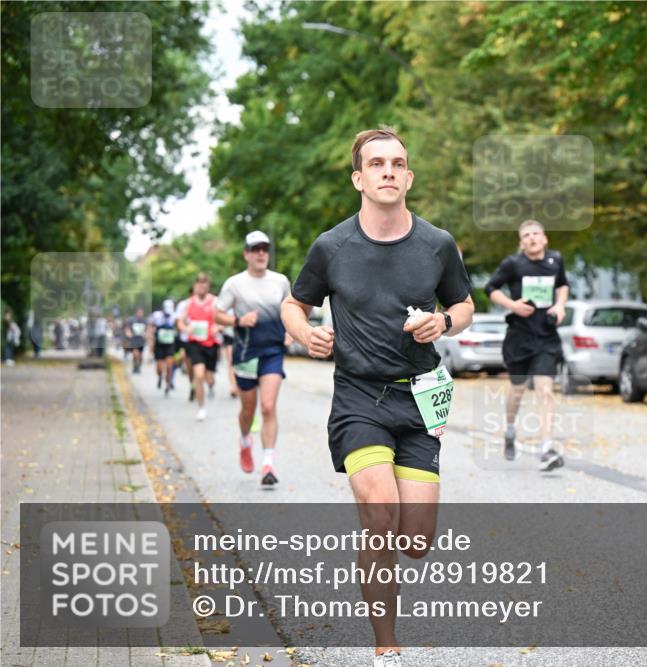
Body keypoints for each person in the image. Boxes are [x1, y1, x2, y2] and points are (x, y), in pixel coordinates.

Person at [282, 126, 473, 667]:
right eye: (377, 163)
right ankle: (386, 644)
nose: (388, 171)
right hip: (359, 398)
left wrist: (443, 322)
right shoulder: (332, 246)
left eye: (398, 163)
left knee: (415, 541)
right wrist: (305, 333)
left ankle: (388, 554)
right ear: (359, 178)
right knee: (378, 513)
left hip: (419, 401)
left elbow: (465, 307)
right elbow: (293, 306)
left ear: (408, 176)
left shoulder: (437, 244)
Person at [484, 219, 570, 471]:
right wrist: (513, 306)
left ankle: (547, 449)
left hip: (546, 335)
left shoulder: (556, 261)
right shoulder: (513, 264)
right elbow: (490, 288)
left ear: (545, 238)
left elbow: (563, 285)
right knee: (518, 389)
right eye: (527, 235)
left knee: (545, 390)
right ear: (521, 242)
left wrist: (560, 305)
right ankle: (510, 429)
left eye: (536, 234)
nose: (532, 238)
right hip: (519, 337)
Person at [215, 231, 292, 486]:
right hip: (245, 353)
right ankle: (245, 439)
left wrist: (291, 331)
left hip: (272, 351)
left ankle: (268, 464)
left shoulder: (280, 281)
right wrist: (238, 320)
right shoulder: (234, 284)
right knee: (248, 409)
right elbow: (217, 315)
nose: (261, 253)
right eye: (255, 249)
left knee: (268, 407)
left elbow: (289, 310)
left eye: (264, 249)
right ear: (246, 254)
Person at [179, 273, 220, 421]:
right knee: (199, 375)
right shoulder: (188, 303)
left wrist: (218, 327)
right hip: (195, 344)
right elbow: (180, 322)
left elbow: (223, 319)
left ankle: (211, 385)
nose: (201, 286)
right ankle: (201, 407)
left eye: (204, 284)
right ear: (195, 286)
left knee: (209, 378)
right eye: (199, 284)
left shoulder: (215, 302)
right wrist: (185, 329)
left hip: (211, 344)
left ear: (208, 286)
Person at [150, 300, 178, 395]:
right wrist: (151, 344)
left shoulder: (175, 316)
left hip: (170, 344)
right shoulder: (156, 316)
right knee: (160, 368)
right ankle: (160, 377)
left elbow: (179, 328)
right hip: (159, 344)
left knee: (169, 366)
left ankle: (167, 384)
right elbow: (151, 328)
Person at [123, 307, 147, 374]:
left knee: (140, 356)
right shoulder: (132, 320)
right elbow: (127, 328)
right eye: (139, 312)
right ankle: (135, 366)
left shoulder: (144, 321)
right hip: (134, 340)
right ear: (136, 313)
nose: (140, 314)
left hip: (141, 340)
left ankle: (138, 366)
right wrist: (128, 334)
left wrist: (147, 335)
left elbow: (147, 329)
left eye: (141, 313)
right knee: (135, 354)